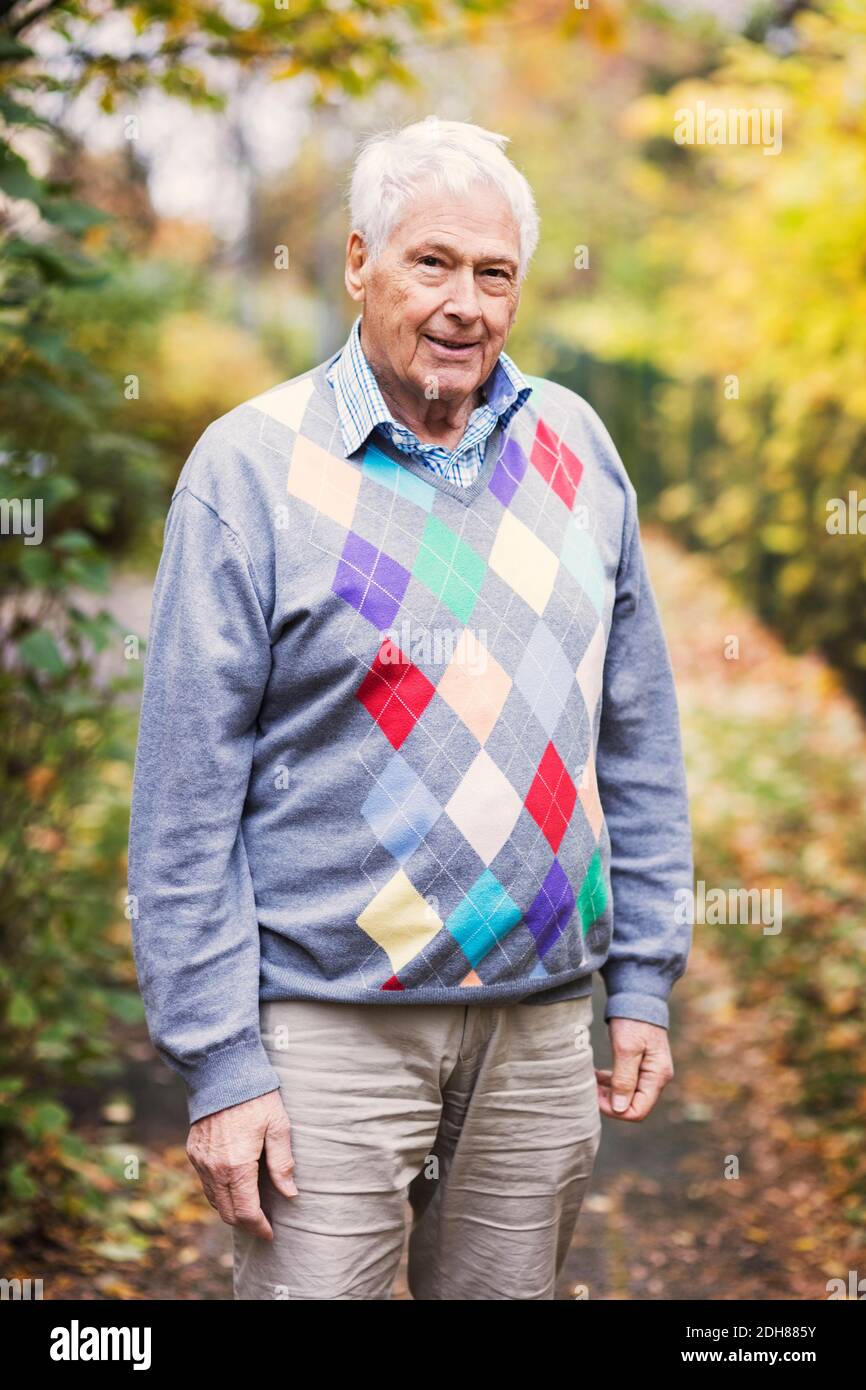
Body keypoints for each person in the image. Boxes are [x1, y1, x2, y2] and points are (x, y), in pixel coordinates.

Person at [127, 115, 694, 1300]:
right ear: (355, 263)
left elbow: (638, 735)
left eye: (494, 274)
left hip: (539, 1030)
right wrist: (222, 1063)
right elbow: (182, 799)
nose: (464, 304)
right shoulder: (249, 470)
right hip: (326, 1033)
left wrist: (640, 973)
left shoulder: (578, 451)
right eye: (430, 262)